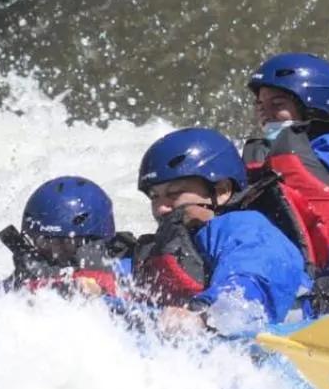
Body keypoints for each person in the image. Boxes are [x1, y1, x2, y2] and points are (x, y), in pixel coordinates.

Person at [131, 127, 312, 335]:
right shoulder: (168, 244)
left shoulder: (244, 227)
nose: (161, 208)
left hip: (284, 339)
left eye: (174, 193)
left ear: (222, 191)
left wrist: (202, 314)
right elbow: (129, 278)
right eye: (154, 196)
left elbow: (250, 281)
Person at [242, 52, 329, 267]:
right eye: (261, 106)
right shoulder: (265, 160)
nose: (266, 113)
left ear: (313, 106)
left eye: (277, 104)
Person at [0, 176, 135, 299]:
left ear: (93, 241)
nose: (55, 252)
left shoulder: (129, 270)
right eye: (44, 242)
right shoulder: (27, 273)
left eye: (66, 242)